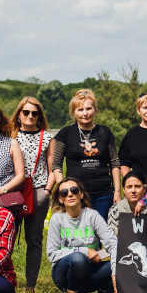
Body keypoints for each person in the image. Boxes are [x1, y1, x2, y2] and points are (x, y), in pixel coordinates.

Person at [46, 178, 116, 293]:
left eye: (74, 190)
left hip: (91, 272)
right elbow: (52, 254)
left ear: (81, 194)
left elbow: (112, 243)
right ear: (60, 199)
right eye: (64, 193)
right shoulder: (57, 219)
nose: (70, 194)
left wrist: (108, 264)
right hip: (64, 275)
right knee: (78, 258)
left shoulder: (92, 215)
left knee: (121, 260)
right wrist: (84, 251)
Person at [52, 89, 120, 219]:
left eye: (89, 108)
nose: (85, 113)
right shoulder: (65, 133)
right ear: (74, 112)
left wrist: (117, 191)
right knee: (79, 230)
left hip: (103, 195)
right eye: (80, 109)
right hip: (75, 195)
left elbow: (115, 163)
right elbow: (56, 165)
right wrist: (64, 189)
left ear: (95, 109)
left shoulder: (105, 132)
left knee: (101, 229)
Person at [12, 96, 55, 293]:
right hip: (13, 191)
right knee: (7, 236)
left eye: (34, 113)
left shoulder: (47, 138)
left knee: (34, 238)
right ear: (19, 114)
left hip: (38, 190)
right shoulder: (10, 135)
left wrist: (47, 191)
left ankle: (31, 284)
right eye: (26, 112)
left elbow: (53, 168)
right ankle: (7, 279)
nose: (30, 116)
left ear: (39, 116)